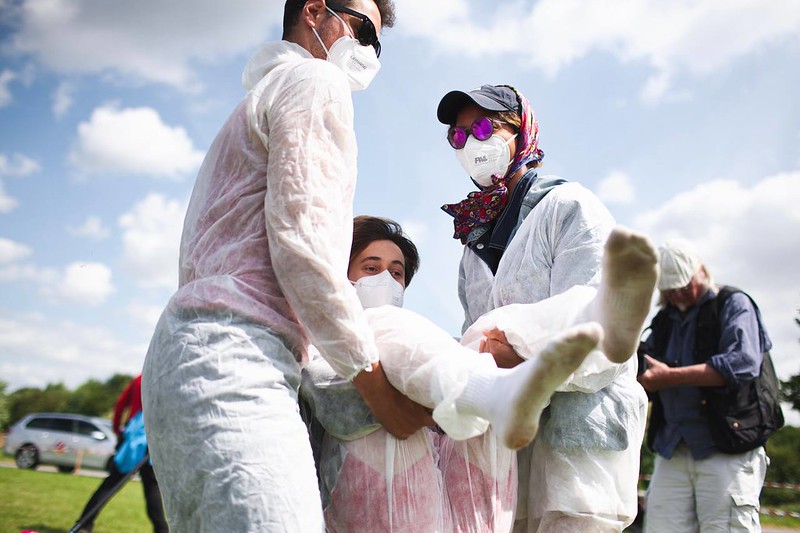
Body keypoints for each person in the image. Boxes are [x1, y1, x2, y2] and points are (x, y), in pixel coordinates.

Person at [139, 2, 435, 531]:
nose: (367, 50)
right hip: (236, 360)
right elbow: (306, 246)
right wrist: (378, 390)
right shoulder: (315, 79)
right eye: (362, 28)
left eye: (377, 42)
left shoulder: (257, 98)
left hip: (192, 362)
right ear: (316, 10)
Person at [302, 216, 659, 531]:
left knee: (484, 333)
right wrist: (402, 398)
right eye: (371, 268)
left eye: (396, 272)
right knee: (384, 327)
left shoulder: (417, 336)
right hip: (384, 496)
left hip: (459, 502)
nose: (387, 279)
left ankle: (597, 321)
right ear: (342, 274)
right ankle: (488, 389)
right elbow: (324, 387)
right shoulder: (314, 333)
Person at [437, 84, 651, 532]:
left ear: (522, 132)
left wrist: (517, 357)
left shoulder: (570, 208)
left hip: (578, 449)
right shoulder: (471, 244)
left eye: (482, 128)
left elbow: (602, 329)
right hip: (507, 458)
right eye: (458, 136)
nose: (471, 144)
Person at [638, 240, 779, 532]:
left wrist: (670, 377)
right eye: (671, 288)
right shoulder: (664, 320)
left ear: (701, 270)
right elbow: (645, 370)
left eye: (684, 284)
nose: (678, 293)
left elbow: (742, 363)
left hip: (725, 446)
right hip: (672, 447)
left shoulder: (732, 303)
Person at [73, 375, 168, 533]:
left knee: (111, 484)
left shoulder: (141, 378)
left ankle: (84, 524)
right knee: (152, 487)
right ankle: (162, 530)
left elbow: (120, 404)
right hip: (153, 438)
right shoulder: (171, 376)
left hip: (135, 438)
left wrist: (117, 430)